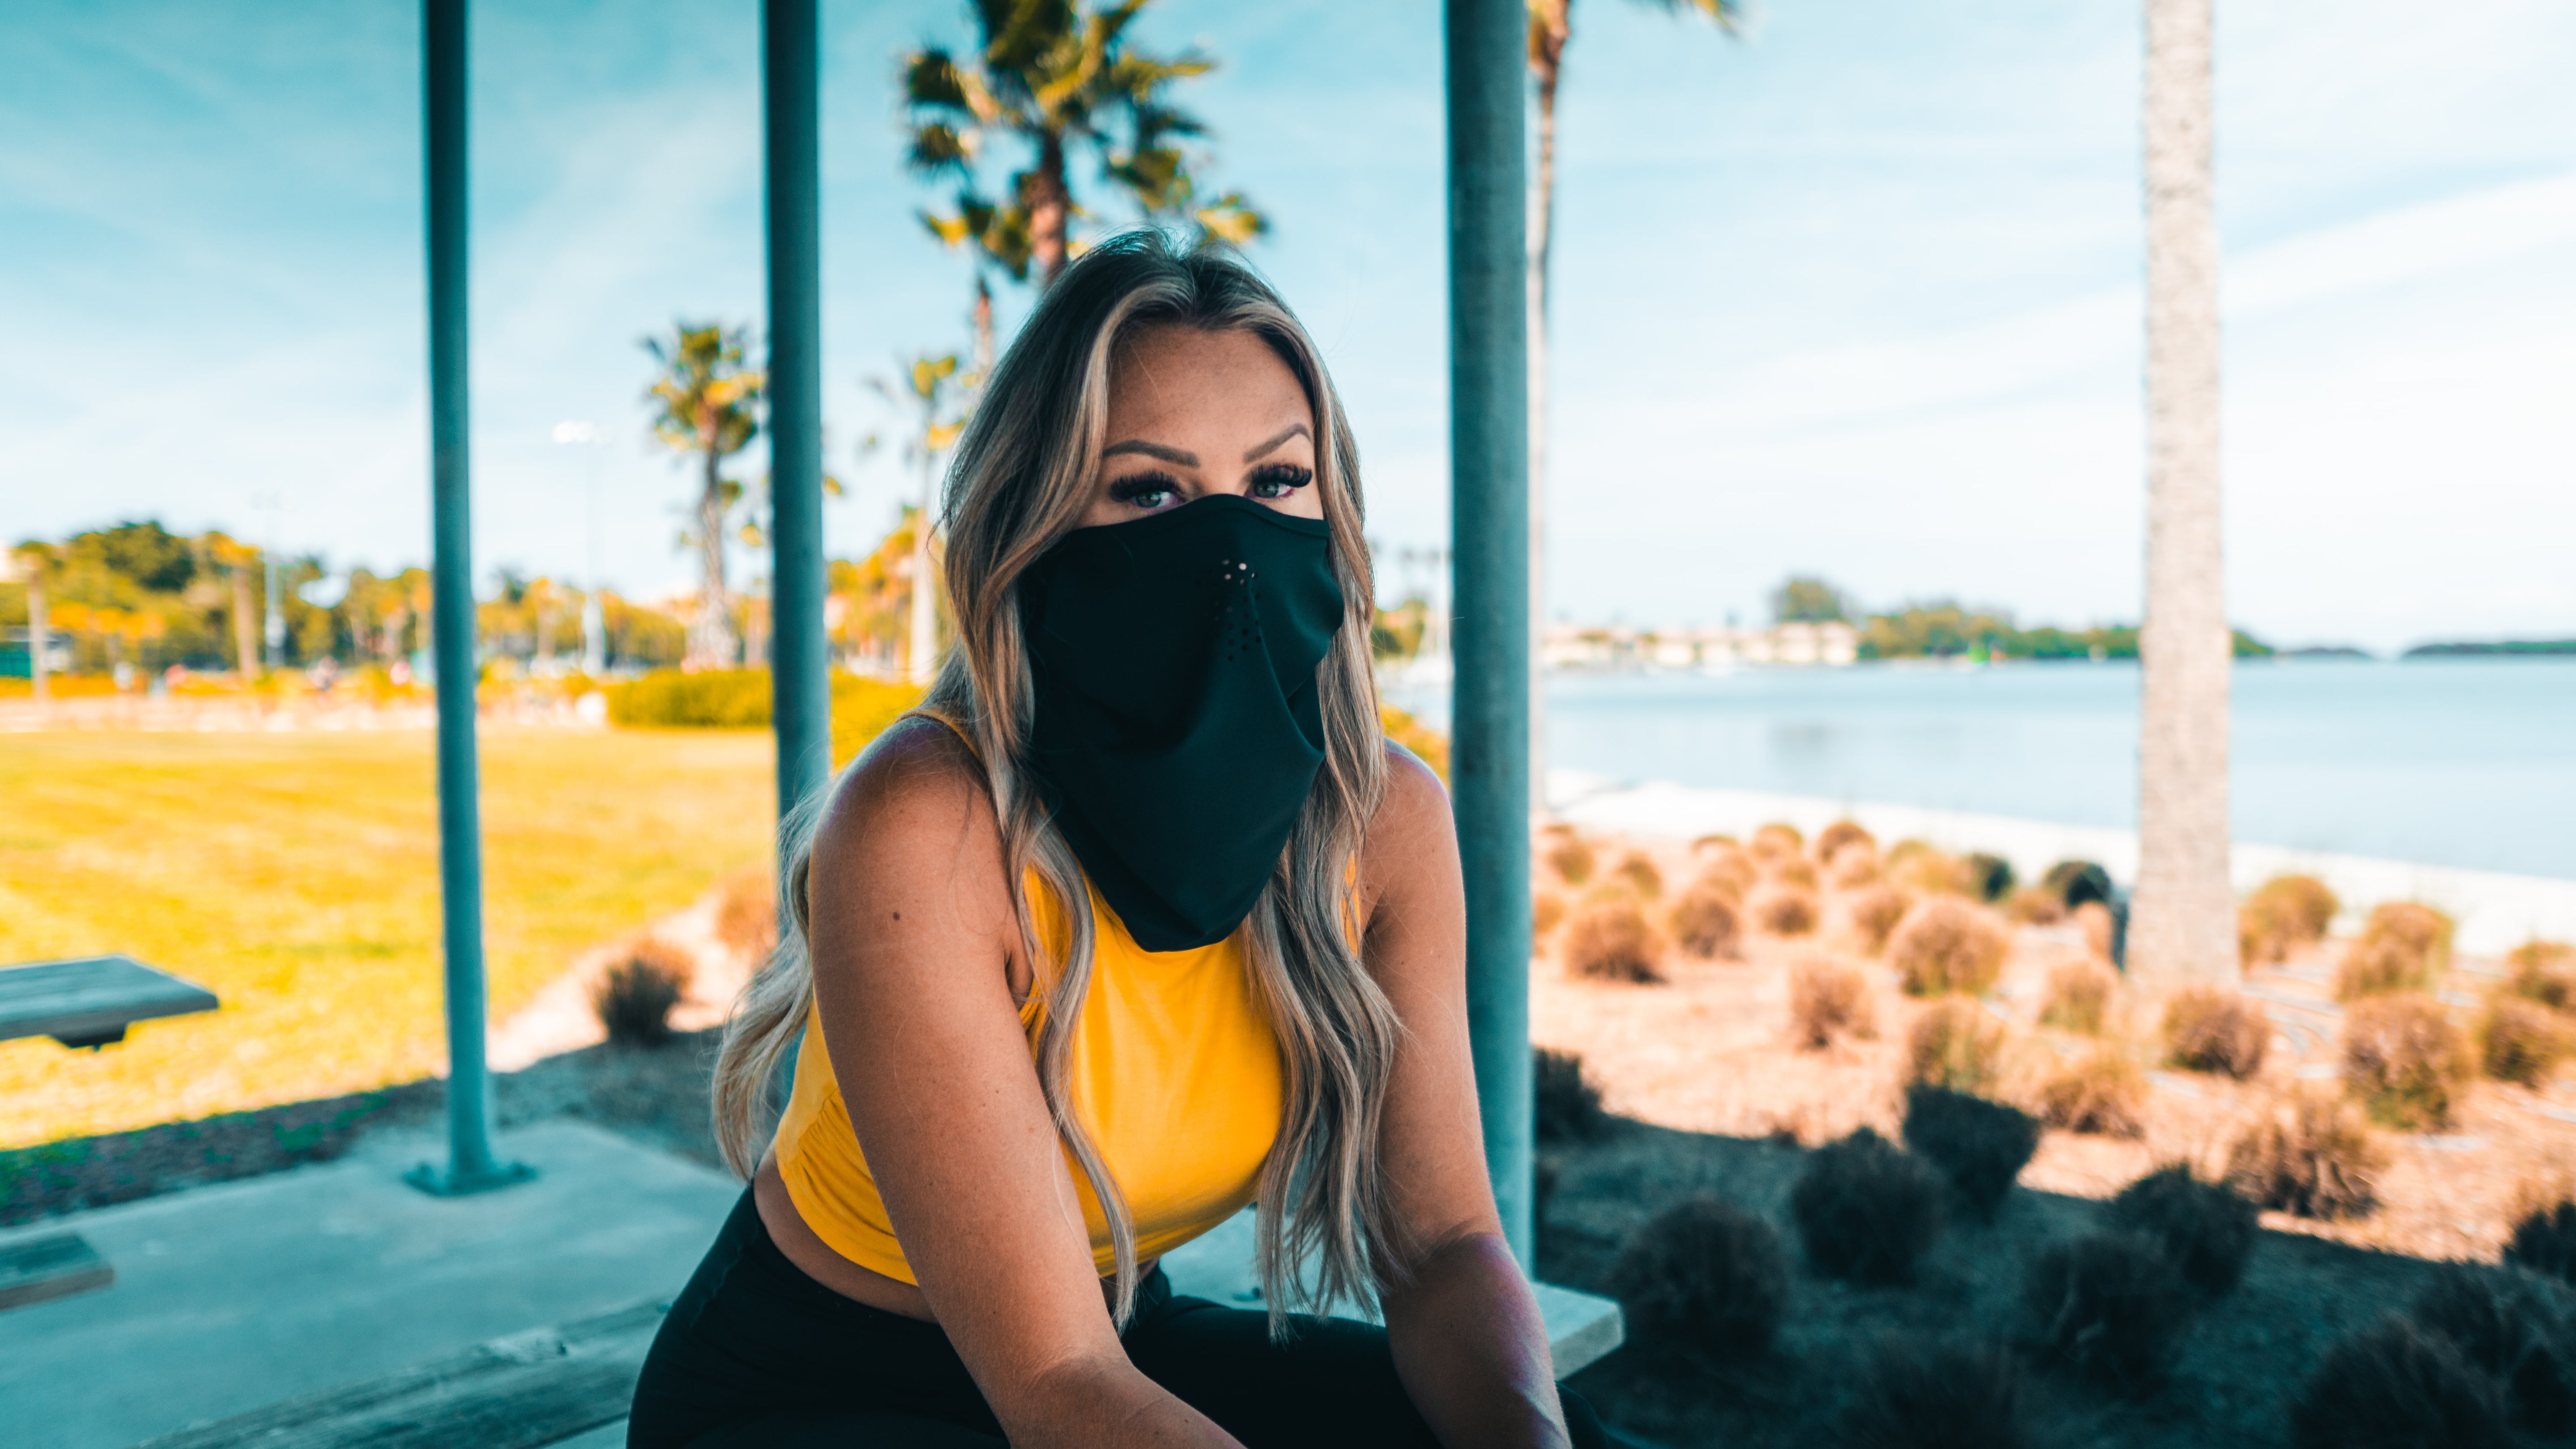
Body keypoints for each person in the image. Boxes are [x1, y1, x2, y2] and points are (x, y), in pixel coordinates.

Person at [629, 232, 1610, 1449]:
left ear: (1333, 508)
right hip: (825, 1390)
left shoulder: (1387, 820)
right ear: (1033, 528)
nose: (1230, 546)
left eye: (1276, 482)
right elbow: (1051, 1381)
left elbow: (1448, 1247)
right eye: (1149, 491)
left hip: (1121, 1349)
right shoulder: (924, 824)